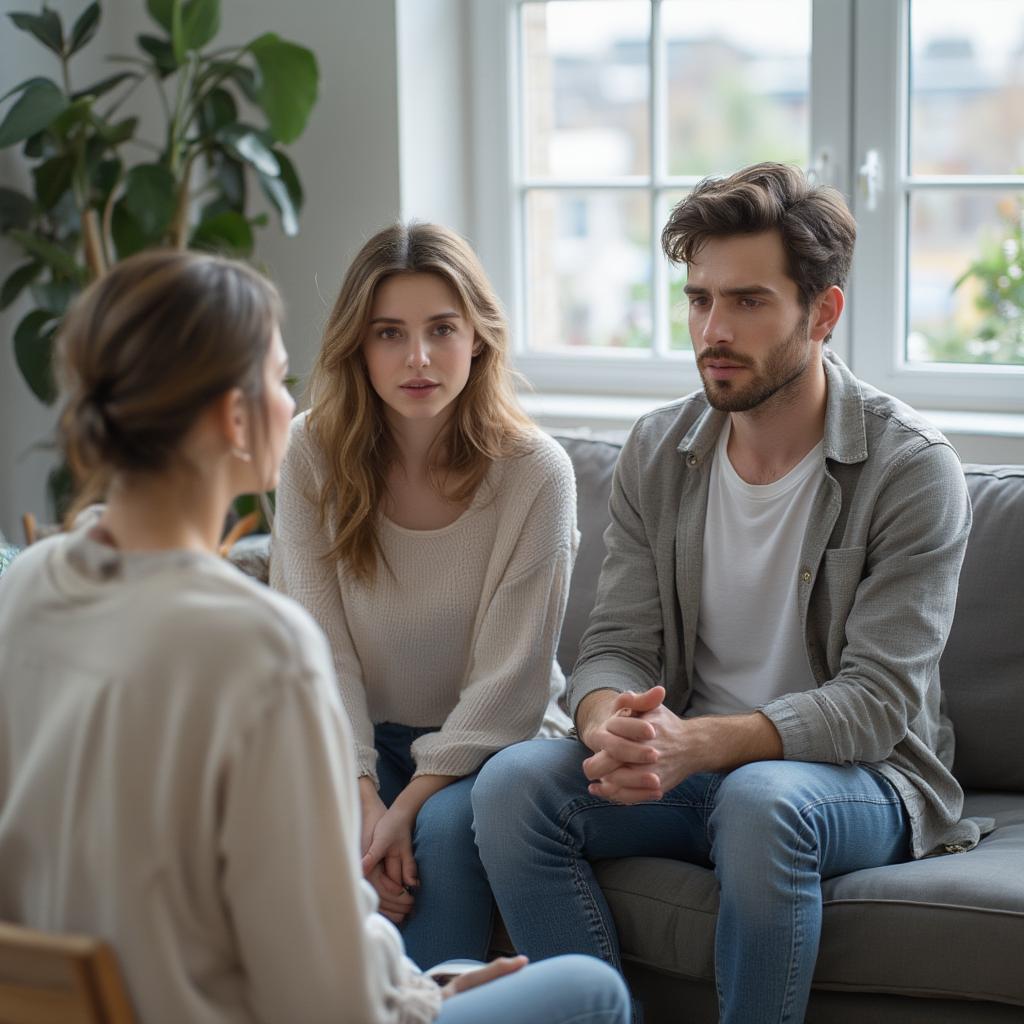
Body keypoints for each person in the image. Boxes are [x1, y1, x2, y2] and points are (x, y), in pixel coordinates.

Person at [0, 250, 629, 1024]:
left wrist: (422, 984)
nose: (290, 398)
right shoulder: (260, 650)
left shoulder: (26, 588)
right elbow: (324, 992)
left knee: (458, 966)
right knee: (591, 991)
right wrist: (418, 1001)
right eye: (276, 376)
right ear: (235, 418)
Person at [472, 163, 975, 1023]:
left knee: (759, 799)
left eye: (747, 302)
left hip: (858, 778)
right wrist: (610, 726)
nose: (713, 328)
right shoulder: (658, 449)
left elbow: (878, 703)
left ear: (823, 312)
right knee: (512, 786)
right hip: (690, 767)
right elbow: (614, 643)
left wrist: (699, 745)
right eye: (700, 299)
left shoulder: (912, 469)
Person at [270, 222, 577, 968]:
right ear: (358, 346)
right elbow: (319, 647)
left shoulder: (536, 472)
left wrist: (400, 812)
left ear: (477, 338)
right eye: (388, 333)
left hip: (491, 747)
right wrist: (361, 791)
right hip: (361, 740)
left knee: (441, 831)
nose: (417, 358)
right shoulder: (310, 450)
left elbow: (509, 684)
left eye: (441, 329)